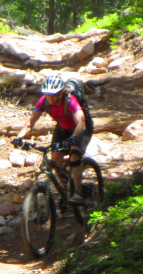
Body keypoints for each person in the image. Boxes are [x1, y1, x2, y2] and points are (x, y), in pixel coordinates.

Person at [12, 74, 93, 202]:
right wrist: (19, 137)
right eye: (47, 94)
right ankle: (65, 189)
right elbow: (30, 122)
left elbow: (81, 123)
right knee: (55, 160)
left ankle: (77, 192)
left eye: (53, 94)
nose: (49, 97)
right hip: (62, 129)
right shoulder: (43, 101)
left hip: (80, 129)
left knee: (74, 155)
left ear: (60, 93)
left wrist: (73, 138)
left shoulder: (70, 101)